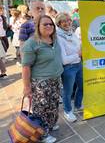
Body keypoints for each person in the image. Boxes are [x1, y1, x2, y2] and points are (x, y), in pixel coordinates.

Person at [22, 15, 63, 143]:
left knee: (54, 105)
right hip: (41, 82)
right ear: (37, 26)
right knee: (41, 108)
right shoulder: (32, 43)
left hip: (55, 79)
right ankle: (42, 134)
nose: (49, 26)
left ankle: (50, 124)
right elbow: (26, 67)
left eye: (51, 24)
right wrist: (27, 87)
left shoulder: (54, 38)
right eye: (45, 24)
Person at [55, 13, 83, 122]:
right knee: (68, 91)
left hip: (78, 64)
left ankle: (77, 104)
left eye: (68, 20)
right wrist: (78, 54)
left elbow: (78, 46)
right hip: (68, 68)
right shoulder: (58, 37)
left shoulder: (72, 32)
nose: (67, 23)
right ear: (59, 23)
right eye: (63, 21)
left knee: (82, 87)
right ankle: (68, 111)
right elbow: (64, 60)